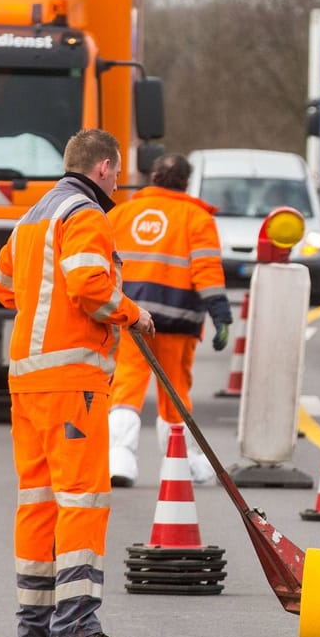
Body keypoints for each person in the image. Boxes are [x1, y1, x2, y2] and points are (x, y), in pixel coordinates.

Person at [0, 129, 152, 637]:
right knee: (83, 500)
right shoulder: (85, 214)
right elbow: (88, 287)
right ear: (104, 167)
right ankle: (77, 625)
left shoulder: (33, 216)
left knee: (37, 501)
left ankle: (33, 626)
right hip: (72, 383)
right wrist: (131, 313)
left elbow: (1, 283)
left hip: (27, 380)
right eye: (118, 171)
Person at [105, 153, 233, 486]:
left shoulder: (122, 213)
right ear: (187, 183)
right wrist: (221, 316)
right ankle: (181, 463)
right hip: (177, 321)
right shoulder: (196, 218)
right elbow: (206, 271)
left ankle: (119, 460)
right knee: (175, 392)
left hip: (131, 319)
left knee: (125, 386)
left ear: (153, 179)